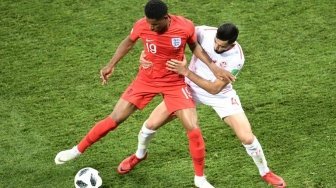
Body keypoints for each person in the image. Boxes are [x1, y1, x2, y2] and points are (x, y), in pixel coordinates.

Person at [54, 1, 234, 188]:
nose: (151, 27)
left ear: (166, 18)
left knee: (193, 127)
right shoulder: (142, 25)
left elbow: (194, 46)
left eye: (155, 24)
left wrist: (213, 66)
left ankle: (200, 178)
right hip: (146, 79)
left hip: (174, 82)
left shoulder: (185, 26)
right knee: (115, 118)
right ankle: (77, 150)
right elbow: (128, 42)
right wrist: (111, 64)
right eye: (149, 23)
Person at [118, 23, 287, 188]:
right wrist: (146, 55)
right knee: (150, 125)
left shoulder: (237, 58)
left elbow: (214, 89)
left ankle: (265, 172)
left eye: (221, 47)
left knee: (247, 137)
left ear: (232, 44)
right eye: (215, 42)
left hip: (220, 96)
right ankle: (139, 155)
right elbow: (170, 40)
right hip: (188, 89)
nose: (216, 48)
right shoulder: (203, 32)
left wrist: (186, 72)